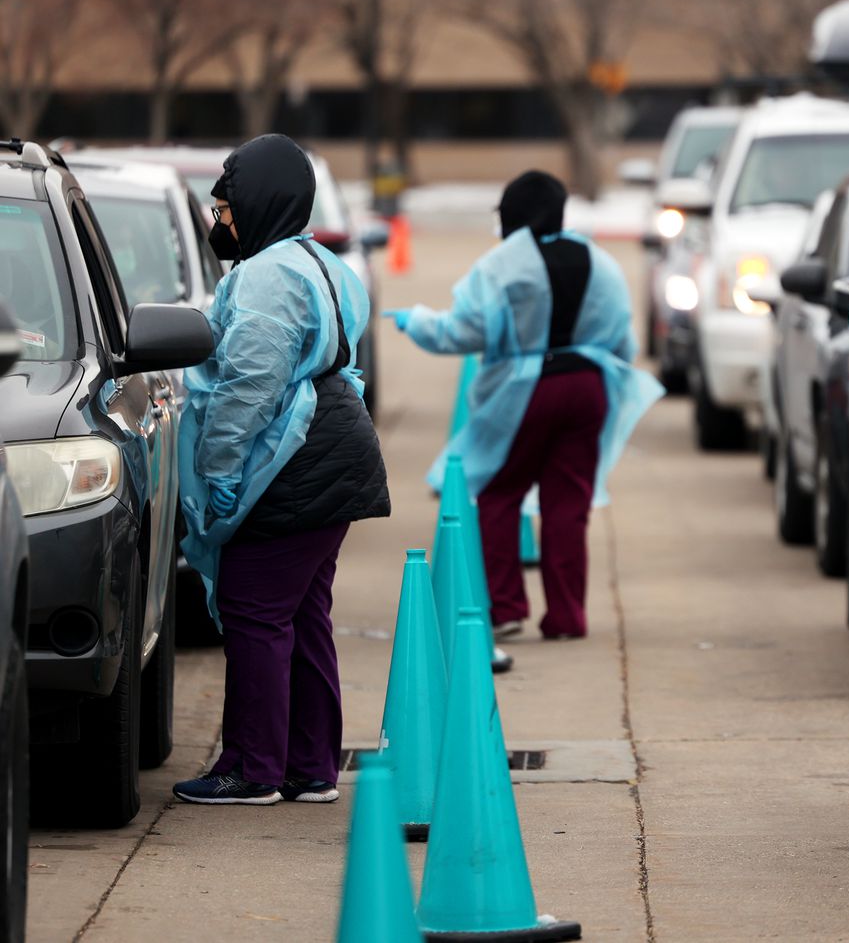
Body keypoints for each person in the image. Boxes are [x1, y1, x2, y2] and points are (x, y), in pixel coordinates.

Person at [173, 134, 390, 806]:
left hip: (296, 458)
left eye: (226, 209)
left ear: (259, 201)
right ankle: (310, 765)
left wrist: (220, 474)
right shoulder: (313, 260)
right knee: (301, 612)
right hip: (333, 446)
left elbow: (248, 387)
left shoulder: (267, 277)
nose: (219, 223)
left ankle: (254, 769)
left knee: (254, 610)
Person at [384, 170, 662, 640]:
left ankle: (508, 607)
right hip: (587, 386)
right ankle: (567, 616)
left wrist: (417, 322)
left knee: (498, 491)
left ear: (509, 215)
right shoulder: (600, 260)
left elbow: (464, 331)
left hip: (526, 389)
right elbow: (623, 339)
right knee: (568, 503)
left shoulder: (504, 264)